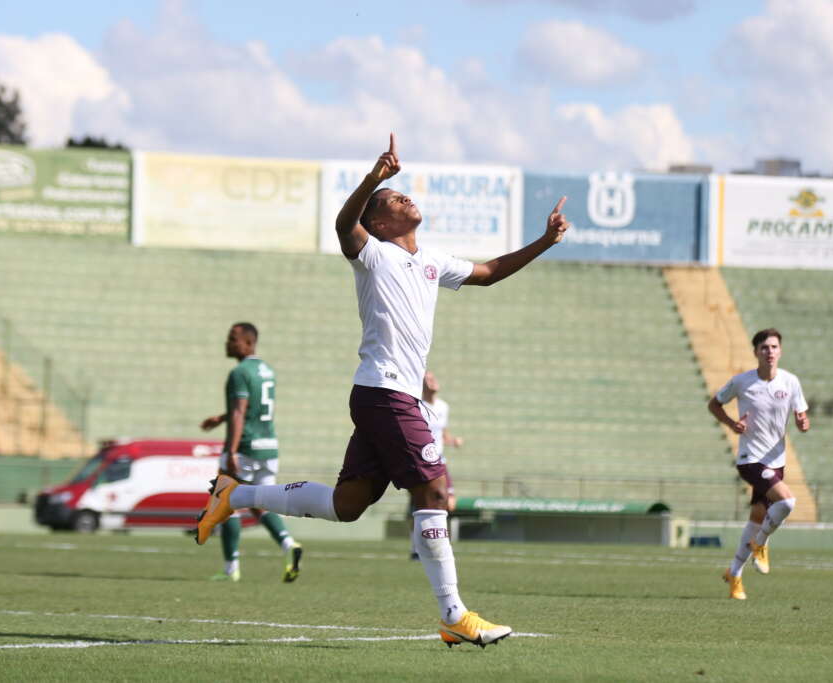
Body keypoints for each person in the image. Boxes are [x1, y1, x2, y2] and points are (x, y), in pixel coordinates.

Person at [195, 133, 570, 648]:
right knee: (434, 489)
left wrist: (544, 242)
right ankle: (453, 614)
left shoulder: (432, 262)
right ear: (379, 223)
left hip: (387, 397)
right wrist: (374, 178)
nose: (404, 198)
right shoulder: (371, 254)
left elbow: (488, 273)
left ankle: (234, 494)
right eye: (394, 200)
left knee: (348, 505)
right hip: (386, 393)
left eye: (401, 195)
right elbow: (341, 226)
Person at [708, 327, 809, 600]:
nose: (770, 352)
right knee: (787, 502)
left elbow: (802, 416)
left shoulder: (790, 382)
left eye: (774, 347)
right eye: (764, 347)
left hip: (776, 461)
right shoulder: (742, 382)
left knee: (756, 519)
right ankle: (761, 544)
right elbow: (714, 404)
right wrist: (732, 424)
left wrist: (803, 422)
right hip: (750, 459)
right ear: (756, 352)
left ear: (780, 351)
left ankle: (734, 575)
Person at [199, 322, 303, 583]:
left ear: (248, 342)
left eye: (232, 338)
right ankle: (289, 545)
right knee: (261, 504)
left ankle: (230, 568)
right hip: (268, 448)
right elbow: (253, 407)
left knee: (225, 503)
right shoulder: (266, 370)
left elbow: (240, 411)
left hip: (245, 447)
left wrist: (231, 450)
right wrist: (221, 418)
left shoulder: (240, 372)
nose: (228, 342)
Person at [408, 370, 464, 559]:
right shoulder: (417, 406)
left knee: (446, 502)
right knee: (418, 506)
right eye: (428, 379)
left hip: (439, 461)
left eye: (433, 378)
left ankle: (438, 546)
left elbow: (442, 434)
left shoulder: (443, 407)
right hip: (419, 461)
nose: (432, 381)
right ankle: (416, 549)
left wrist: (453, 440)